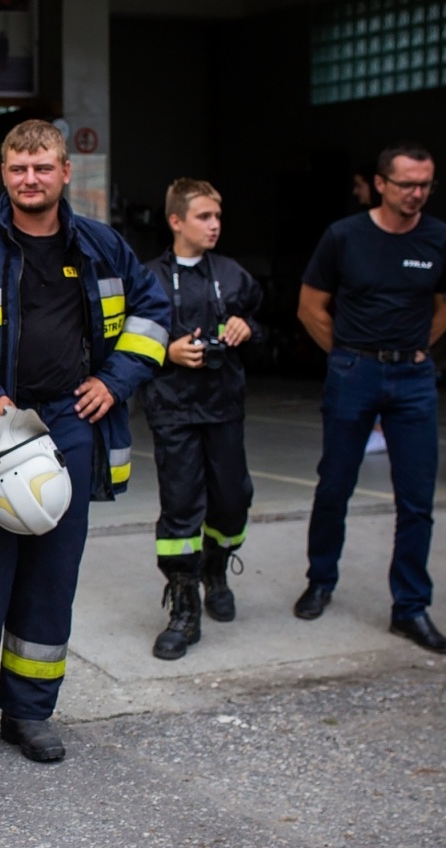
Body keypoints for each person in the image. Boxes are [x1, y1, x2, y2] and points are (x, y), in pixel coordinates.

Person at [0, 119, 168, 761]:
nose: (29, 179)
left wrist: (114, 380)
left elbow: (154, 313)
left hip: (69, 424)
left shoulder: (101, 246)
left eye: (42, 168)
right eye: (16, 168)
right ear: (3, 174)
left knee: (50, 578)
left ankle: (30, 715)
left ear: (65, 173)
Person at [297, 141, 446, 652]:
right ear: (381, 184)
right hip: (354, 371)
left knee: (417, 500)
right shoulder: (344, 236)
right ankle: (321, 581)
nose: (416, 194)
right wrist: (345, 357)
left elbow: (442, 306)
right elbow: (311, 306)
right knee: (335, 484)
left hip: (414, 380)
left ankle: (410, 607)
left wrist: (415, 350)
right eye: (407, 184)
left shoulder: (437, 237)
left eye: (424, 185)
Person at [141, 179, 262, 659]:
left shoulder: (233, 275)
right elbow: (127, 338)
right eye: (204, 217)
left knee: (233, 503)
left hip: (224, 407)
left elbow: (262, 320)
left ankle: (216, 566)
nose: (214, 225)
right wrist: (166, 348)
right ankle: (184, 605)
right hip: (173, 410)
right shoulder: (148, 278)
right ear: (176, 221)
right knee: (181, 507)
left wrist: (247, 327)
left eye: (217, 217)